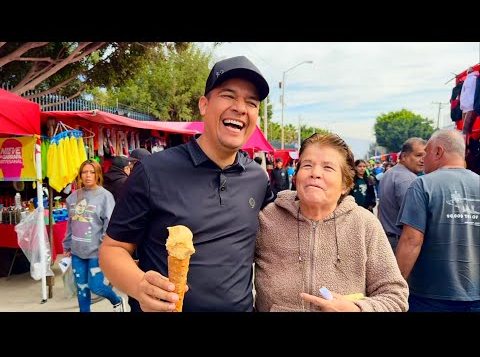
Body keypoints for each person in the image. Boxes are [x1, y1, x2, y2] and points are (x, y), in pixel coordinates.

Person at [99, 55, 274, 312]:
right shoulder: (152, 171)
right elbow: (112, 250)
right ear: (204, 105)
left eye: (251, 102)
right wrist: (139, 286)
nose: (240, 108)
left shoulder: (257, 179)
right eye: (228, 96)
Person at [254, 133, 409, 312]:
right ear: (296, 176)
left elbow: (395, 296)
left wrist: (358, 309)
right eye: (307, 165)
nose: (315, 173)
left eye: (328, 167)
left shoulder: (365, 225)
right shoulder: (268, 219)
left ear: (345, 184)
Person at [396, 129, 480, 312]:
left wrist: (394, 285)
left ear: (438, 152)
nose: (423, 159)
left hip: (429, 296)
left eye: (426, 152)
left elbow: (411, 241)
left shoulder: (422, 185)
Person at [63, 160, 125, 312]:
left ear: (98, 174)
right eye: (85, 172)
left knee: (95, 286)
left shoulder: (105, 196)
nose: (88, 175)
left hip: (97, 252)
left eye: (92, 172)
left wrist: (105, 246)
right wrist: (67, 245)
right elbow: (70, 224)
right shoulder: (72, 198)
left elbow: (110, 224)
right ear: (80, 175)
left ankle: (117, 300)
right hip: (77, 252)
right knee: (82, 289)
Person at [378, 137, 426, 254]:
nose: (423, 160)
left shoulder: (390, 173)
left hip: (389, 238)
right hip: (400, 242)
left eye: (425, 156)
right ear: (404, 156)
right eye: (418, 155)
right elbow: (413, 220)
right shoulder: (408, 178)